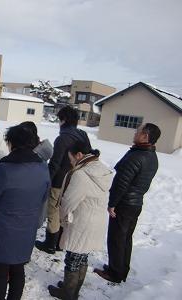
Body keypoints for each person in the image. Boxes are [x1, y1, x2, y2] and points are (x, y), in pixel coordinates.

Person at [0, 124, 50, 300]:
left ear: (12, 143)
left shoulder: (5, 169)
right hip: (27, 229)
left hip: (3, 230)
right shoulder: (43, 168)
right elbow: (45, 199)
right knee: (18, 269)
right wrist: (36, 222)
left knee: (0, 271)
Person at [94, 123, 161, 283]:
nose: (135, 132)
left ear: (145, 136)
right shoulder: (151, 156)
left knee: (116, 239)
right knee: (125, 238)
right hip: (136, 204)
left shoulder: (137, 156)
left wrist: (112, 203)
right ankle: (121, 269)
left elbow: (121, 183)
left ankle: (115, 273)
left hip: (124, 204)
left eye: (138, 131)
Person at [47, 141, 112, 300]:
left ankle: (68, 293)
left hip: (82, 221)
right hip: (96, 221)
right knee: (82, 257)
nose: (71, 162)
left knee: (73, 258)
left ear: (79, 155)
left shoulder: (81, 174)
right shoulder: (100, 169)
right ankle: (73, 288)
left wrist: (62, 217)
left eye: (71, 159)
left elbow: (69, 201)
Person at [36, 106, 91, 254]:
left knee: (53, 209)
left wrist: (46, 181)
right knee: (65, 209)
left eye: (60, 120)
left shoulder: (62, 138)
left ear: (64, 120)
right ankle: (60, 242)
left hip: (60, 180)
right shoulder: (83, 135)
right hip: (76, 180)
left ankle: (50, 243)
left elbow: (55, 163)